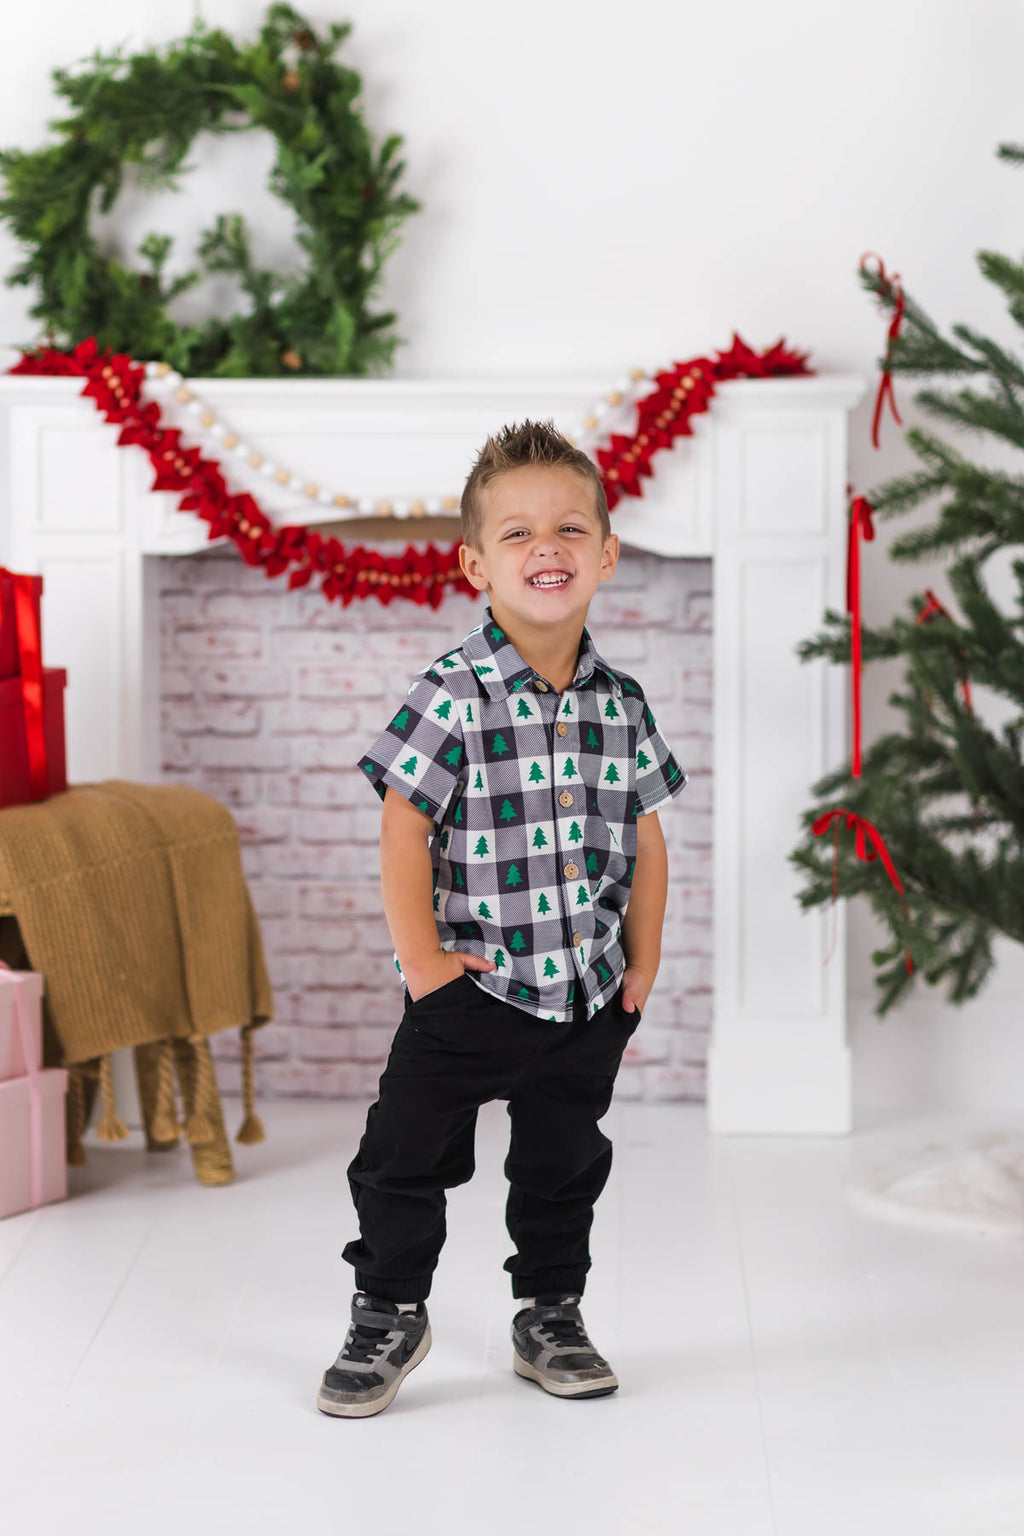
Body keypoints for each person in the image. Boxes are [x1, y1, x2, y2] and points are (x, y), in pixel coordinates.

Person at [317, 419, 688, 1418]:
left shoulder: (623, 704)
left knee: (563, 1163)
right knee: (403, 1156)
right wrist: (425, 965)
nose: (546, 549)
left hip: (587, 994)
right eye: (517, 534)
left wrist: (642, 967)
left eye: (569, 528)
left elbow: (647, 837)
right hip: (471, 988)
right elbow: (404, 824)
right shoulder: (453, 694)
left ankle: (550, 1311)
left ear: (606, 554)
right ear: (474, 562)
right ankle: (388, 1308)